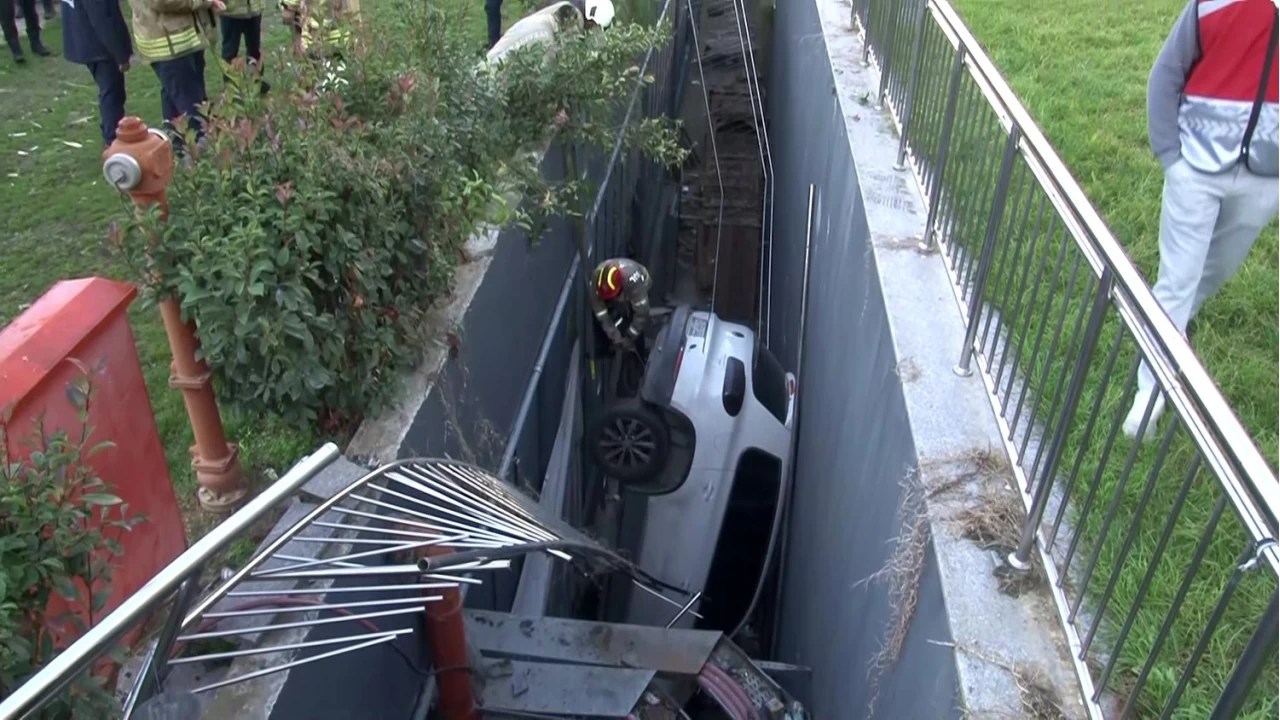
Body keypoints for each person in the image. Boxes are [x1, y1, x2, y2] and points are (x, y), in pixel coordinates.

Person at [1126, 0, 1279, 440]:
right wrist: (1171, 158)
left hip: (1265, 179)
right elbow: (1166, 75)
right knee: (1178, 278)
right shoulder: (1213, 3)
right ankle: (1149, 394)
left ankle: (1171, 328)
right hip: (1195, 166)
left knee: (1214, 271)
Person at [130, 0, 221, 150]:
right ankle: (198, 153)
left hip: (183, 38)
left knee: (176, 94)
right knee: (190, 103)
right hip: (169, 44)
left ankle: (177, 144)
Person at [60, 0, 133, 146]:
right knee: (112, 93)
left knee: (109, 91)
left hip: (84, 38)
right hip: (100, 46)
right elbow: (102, 18)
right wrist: (119, 53)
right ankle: (113, 139)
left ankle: (111, 134)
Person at [485, 0, 613, 66]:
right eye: (594, 26)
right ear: (591, 21)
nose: (591, 30)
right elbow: (547, 76)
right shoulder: (548, 39)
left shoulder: (558, 12)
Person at [591, 257, 652, 350]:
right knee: (611, 312)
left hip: (639, 283)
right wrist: (612, 332)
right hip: (622, 287)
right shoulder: (596, 279)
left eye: (615, 296)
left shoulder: (634, 283)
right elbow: (600, 311)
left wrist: (630, 337)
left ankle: (639, 349)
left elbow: (642, 313)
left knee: (634, 317)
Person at [219, 0, 269, 96]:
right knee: (230, 52)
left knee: (255, 51)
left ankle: (257, 84)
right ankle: (232, 91)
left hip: (254, 7)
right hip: (231, 10)